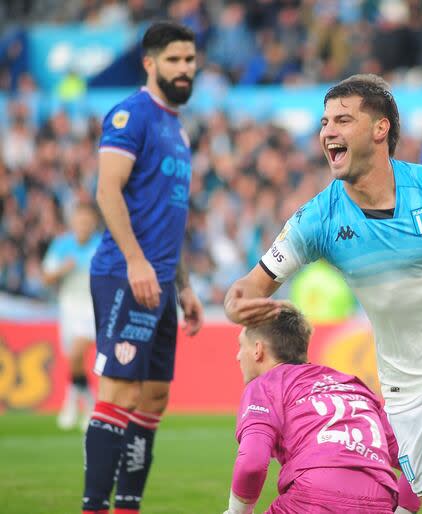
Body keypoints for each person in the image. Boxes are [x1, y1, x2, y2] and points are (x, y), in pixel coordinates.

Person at [226, 74, 422, 514]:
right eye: (324, 122)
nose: (328, 131)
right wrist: (236, 300)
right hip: (404, 386)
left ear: (380, 130)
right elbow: (253, 283)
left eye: (343, 120)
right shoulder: (318, 219)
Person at [82, 21, 205, 514]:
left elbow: (171, 217)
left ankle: (128, 506)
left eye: (190, 60)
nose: (184, 69)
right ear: (150, 64)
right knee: (118, 391)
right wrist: (135, 261)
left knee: (153, 398)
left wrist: (186, 286)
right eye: (174, 60)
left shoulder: (177, 129)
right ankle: (95, 506)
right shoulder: (130, 115)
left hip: (161, 280)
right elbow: (106, 191)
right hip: (124, 274)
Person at [222, 304, 419, 514]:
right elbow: (416, 457)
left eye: (240, 346)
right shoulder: (354, 386)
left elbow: (252, 462)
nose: (237, 356)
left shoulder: (265, 385)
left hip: (312, 497)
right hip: (379, 501)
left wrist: (236, 512)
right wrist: (404, 510)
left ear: (257, 350)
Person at [42, 202, 102, 431]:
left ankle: (72, 403)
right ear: (73, 222)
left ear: (93, 223)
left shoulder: (100, 245)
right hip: (68, 308)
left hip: (91, 308)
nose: (83, 225)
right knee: (73, 360)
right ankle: (86, 401)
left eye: (87, 221)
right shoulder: (62, 245)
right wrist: (62, 269)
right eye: (80, 220)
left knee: (77, 353)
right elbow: (46, 277)